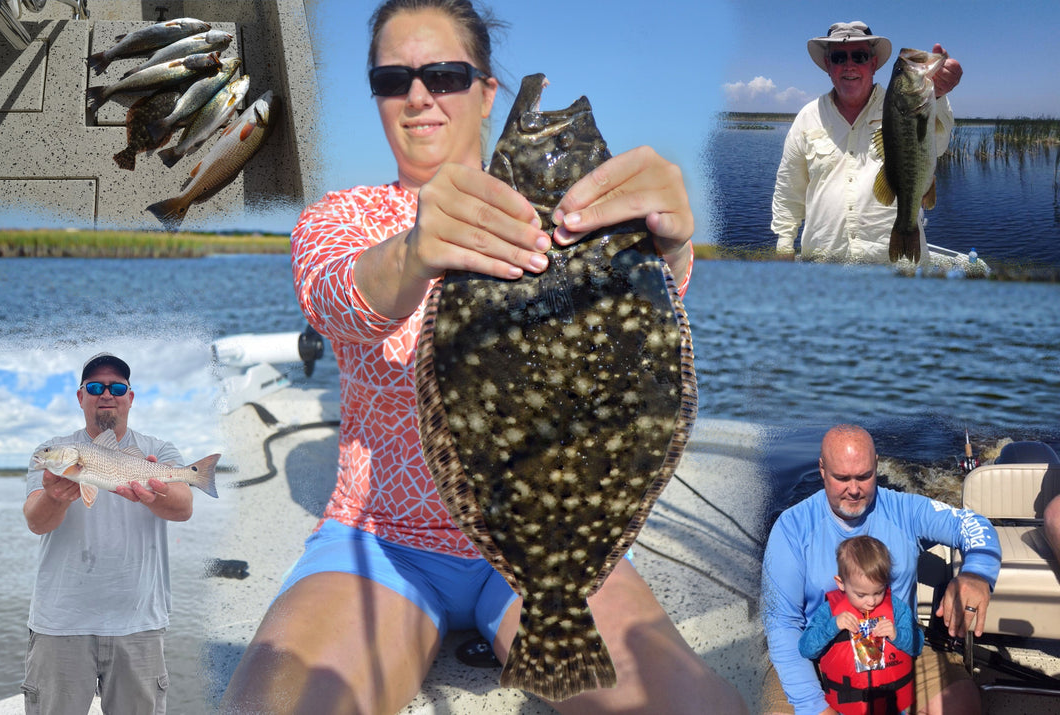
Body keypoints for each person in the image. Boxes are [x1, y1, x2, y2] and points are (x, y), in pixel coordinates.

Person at [220, 1, 745, 713]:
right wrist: (416, 248)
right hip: (384, 541)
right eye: (392, 78)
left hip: (554, 545)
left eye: (444, 74)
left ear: (488, 89)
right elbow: (335, 299)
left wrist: (668, 244)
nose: (418, 96)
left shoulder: (586, 226)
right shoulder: (340, 218)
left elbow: (647, 330)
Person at [760, 424, 1000, 715]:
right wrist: (814, 706)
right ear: (822, 469)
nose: (854, 489)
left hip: (898, 648)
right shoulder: (791, 528)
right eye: (841, 478)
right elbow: (782, 625)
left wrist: (977, 573)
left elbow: (972, 524)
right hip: (817, 658)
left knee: (961, 703)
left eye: (864, 476)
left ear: (877, 465)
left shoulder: (905, 510)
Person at [22, 352, 195, 714]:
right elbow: (37, 522)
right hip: (60, 623)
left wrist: (154, 493)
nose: (107, 394)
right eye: (95, 386)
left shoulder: (158, 451)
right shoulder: (50, 453)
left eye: (117, 387)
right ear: (80, 396)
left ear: (130, 397)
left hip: (139, 622)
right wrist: (55, 496)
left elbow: (183, 507)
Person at [771, 21, 964, 266]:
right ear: (828, 65)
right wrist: (784, 245)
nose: (849, 65)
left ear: (873, 64)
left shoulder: (901, 103)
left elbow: (939, 142)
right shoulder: (807, 117)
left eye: (860, 56)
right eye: (839, 57)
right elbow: (789, 189)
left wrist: (937, 93)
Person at [798, 535, 923, 715]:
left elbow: (917, 645)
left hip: (893, 706)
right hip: (847, 706)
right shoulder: (828, 612)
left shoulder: (896, 608)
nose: (871, 602)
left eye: (878, 592)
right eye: (861, 595)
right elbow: (806, 649)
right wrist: (833, 626)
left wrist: (897, 634)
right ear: (841, 583)